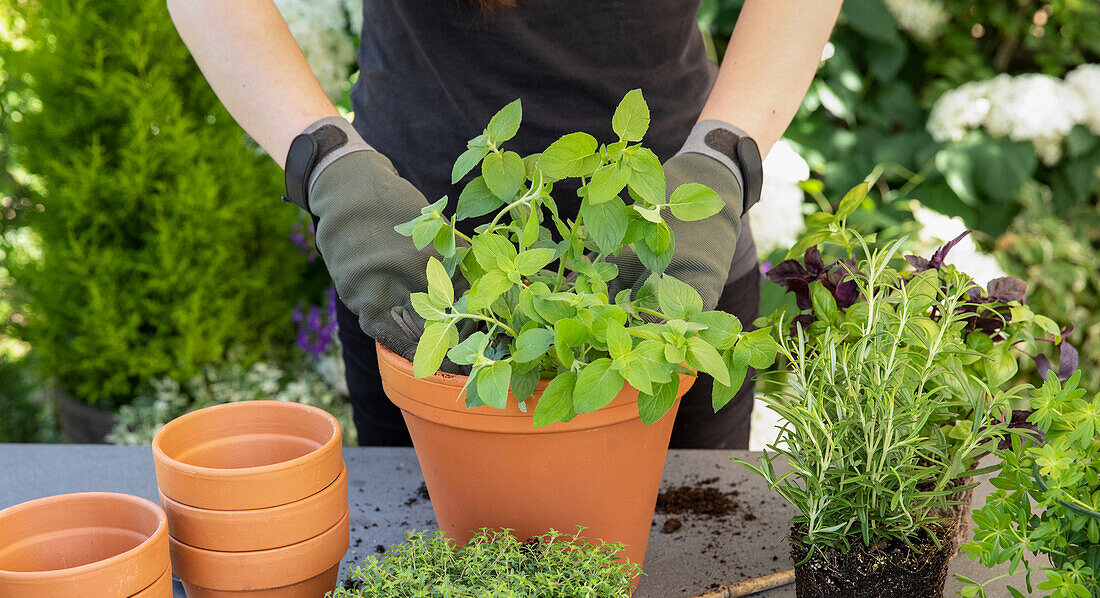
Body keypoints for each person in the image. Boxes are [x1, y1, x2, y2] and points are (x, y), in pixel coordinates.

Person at [166, 0, 842, 449]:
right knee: (439, 588)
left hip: (673, 240)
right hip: (408, 253)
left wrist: (724, 156)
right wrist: (327, 163)